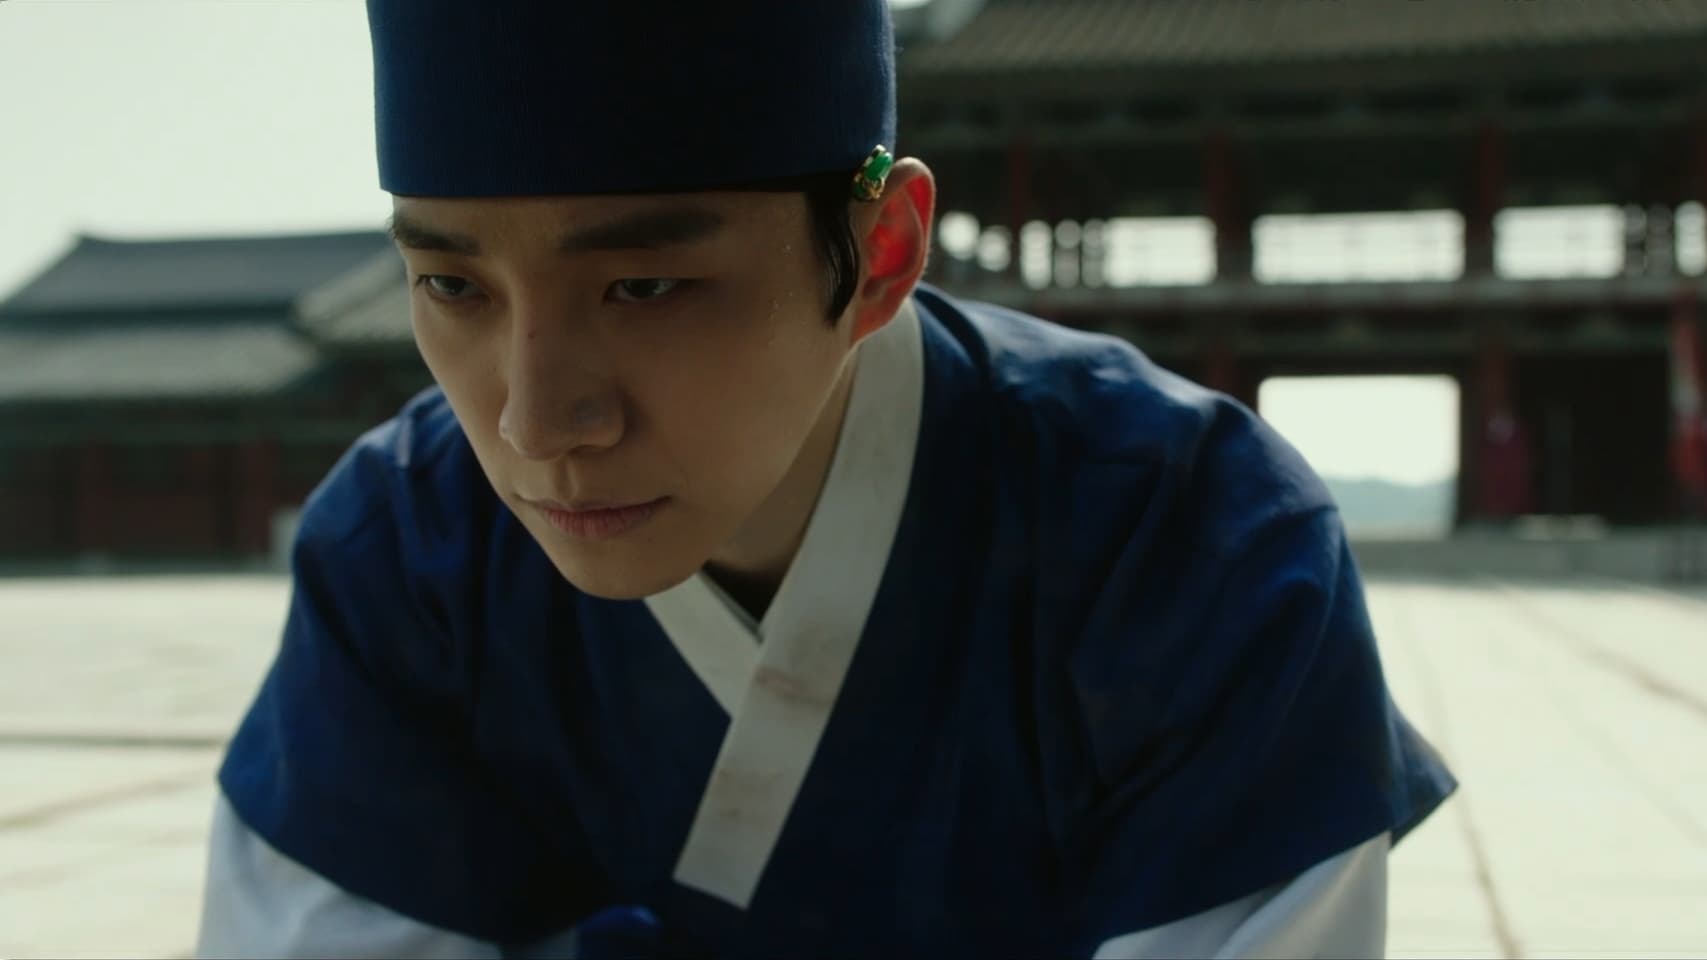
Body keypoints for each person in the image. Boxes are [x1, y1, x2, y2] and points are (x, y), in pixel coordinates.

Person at [195, 1, 1456, 957]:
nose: (535, 422)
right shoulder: (409, 553)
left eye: (644, 285)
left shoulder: (1187, 541)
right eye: (451, 284)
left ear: (881, 252)